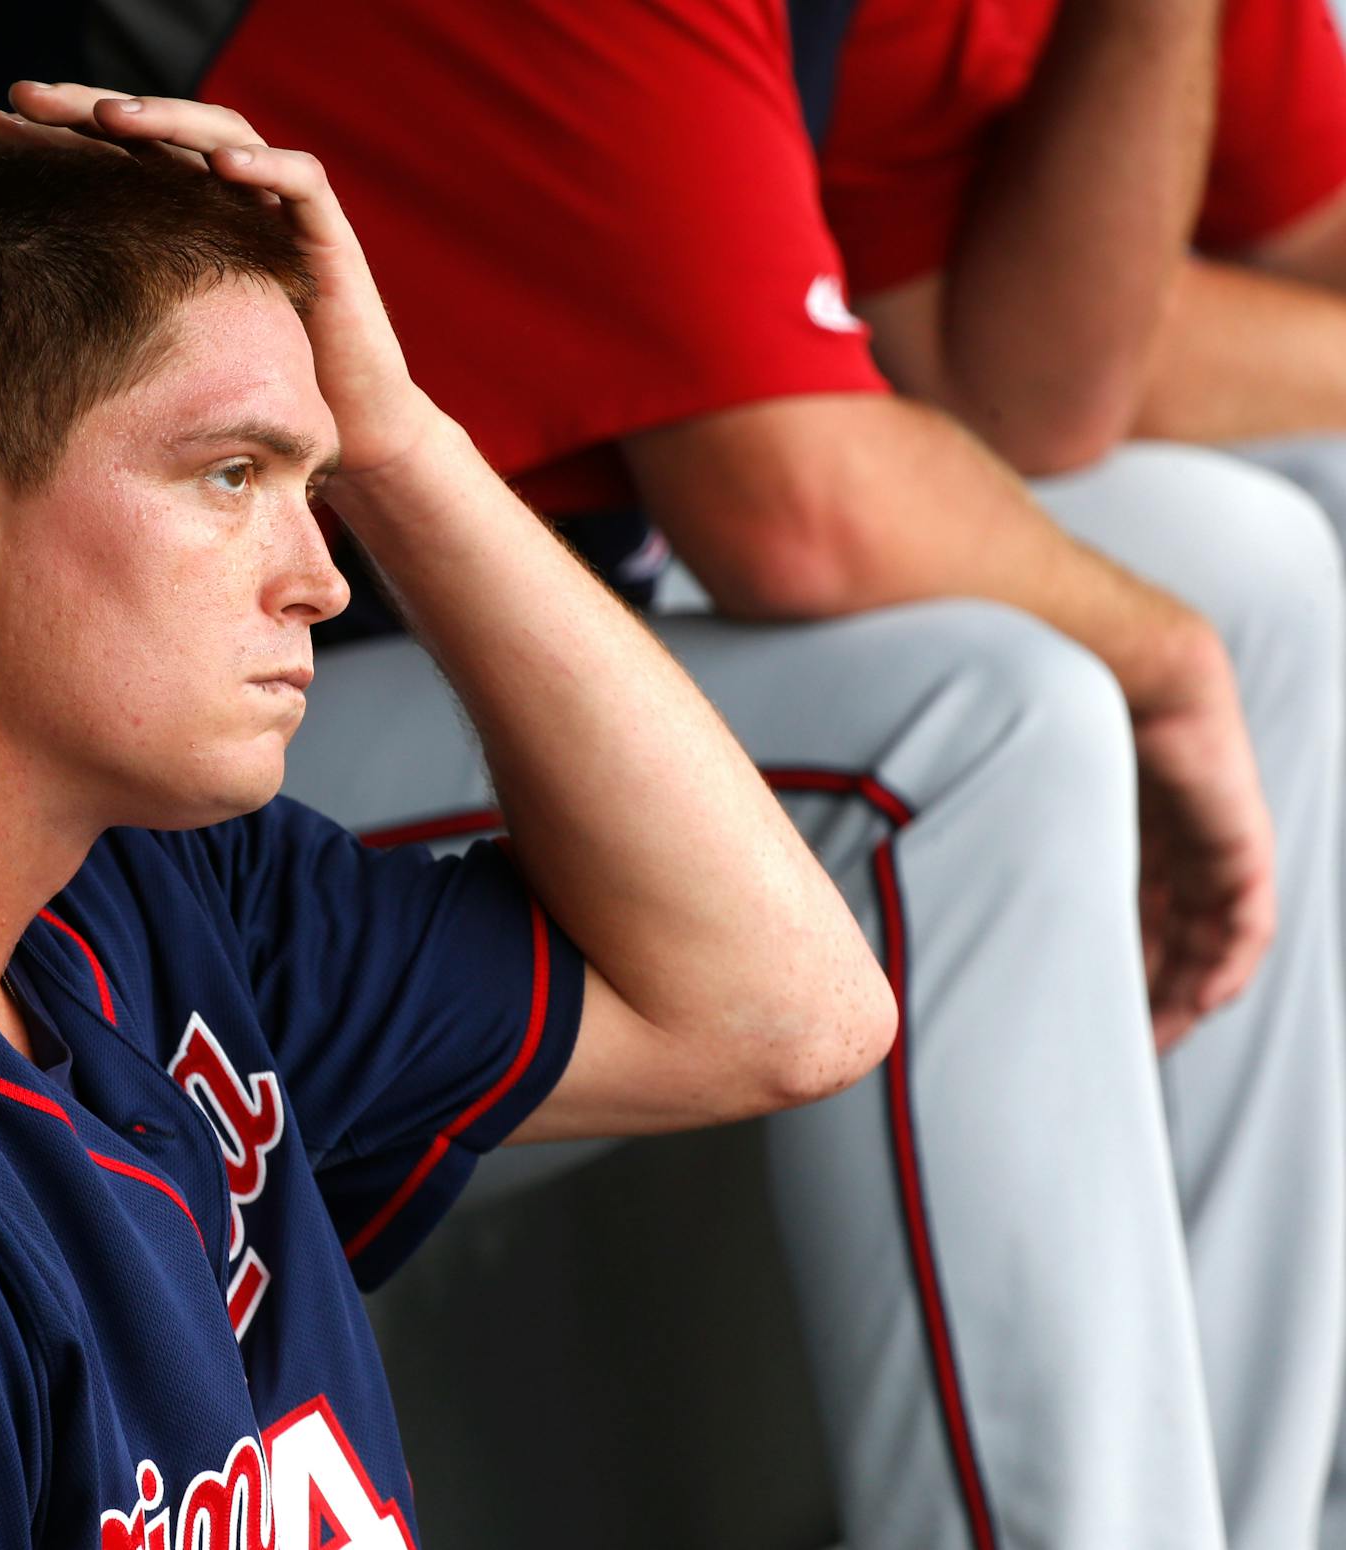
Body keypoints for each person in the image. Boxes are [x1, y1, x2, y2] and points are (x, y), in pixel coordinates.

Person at [130, 2, 1346, 1545]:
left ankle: (1257, 1509)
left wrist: (1190, 643)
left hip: (501, 622)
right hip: (197, 746)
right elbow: (794, 503)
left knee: (1269, 563)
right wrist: (1166, 666)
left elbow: (1021, 377)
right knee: (983, 727)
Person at [0, 88, 895, 1548]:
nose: (321, 576)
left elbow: (785, 1008)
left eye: (317, 484)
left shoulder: (159, 890)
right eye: (231, 474)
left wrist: (405, 446)